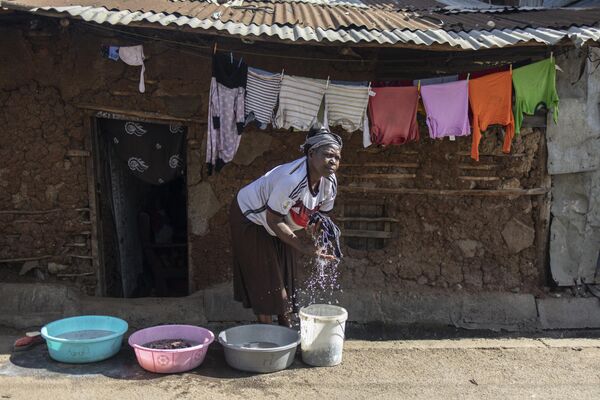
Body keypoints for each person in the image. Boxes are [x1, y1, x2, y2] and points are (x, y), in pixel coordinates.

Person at [230, 126, 342, 327]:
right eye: (327, 155)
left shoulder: (330, 183)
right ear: (311, 154)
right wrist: (305, 247)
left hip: (279, 220)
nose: (333, 161)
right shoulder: (292, 179)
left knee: (287, 275)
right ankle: (268, 335)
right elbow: (273, 220)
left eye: (337, 157)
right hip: (252, 217)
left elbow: (319, 216)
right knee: (266, 277)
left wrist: (317, 237)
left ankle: (286, 329)